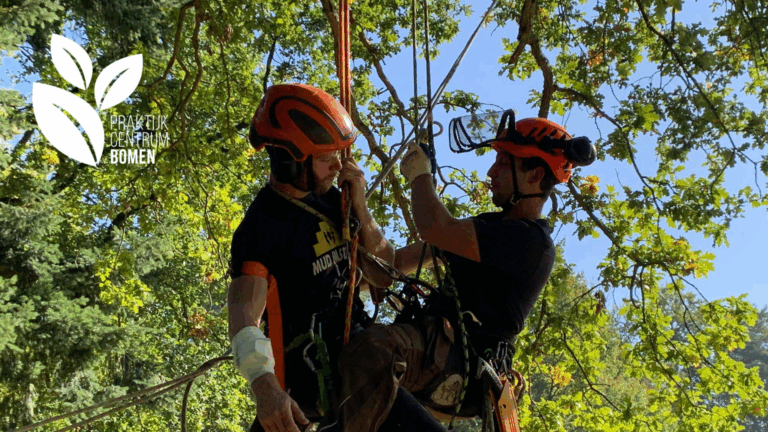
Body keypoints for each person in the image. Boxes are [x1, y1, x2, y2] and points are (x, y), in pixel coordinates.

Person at [336, 111, 596, 432]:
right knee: (346, 345)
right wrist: (358, 205)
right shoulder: (488, 227)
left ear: (533, 175)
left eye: (503, 163)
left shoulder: (530, 242)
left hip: (463, 367)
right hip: (436, 353)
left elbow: (435, 226)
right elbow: (390, 267)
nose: (491, 171)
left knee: (376, 349)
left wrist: (421, 176)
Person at [227, 83, 395, 432]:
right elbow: (244, 319)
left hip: (364, 359)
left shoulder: (338, 200)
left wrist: (361, 209)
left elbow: (385, 274)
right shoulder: (261, 227)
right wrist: (265, 388)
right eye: (324, 158)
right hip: (309, 379)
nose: (338, 165)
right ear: (289, 161)